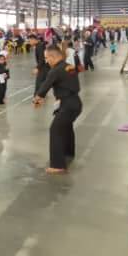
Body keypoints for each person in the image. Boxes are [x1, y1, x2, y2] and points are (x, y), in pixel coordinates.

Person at [33, 46, 82, 174]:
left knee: (56, 130)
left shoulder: (55, 70)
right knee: (66, 127)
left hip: (68, 104)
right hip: (75, 102)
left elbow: (45, 85)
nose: (46, 60)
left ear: (53, 57)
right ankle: (68, 153)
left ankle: (58, 165)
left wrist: (37, 98)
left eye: (47, 58)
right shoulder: (69, 66)